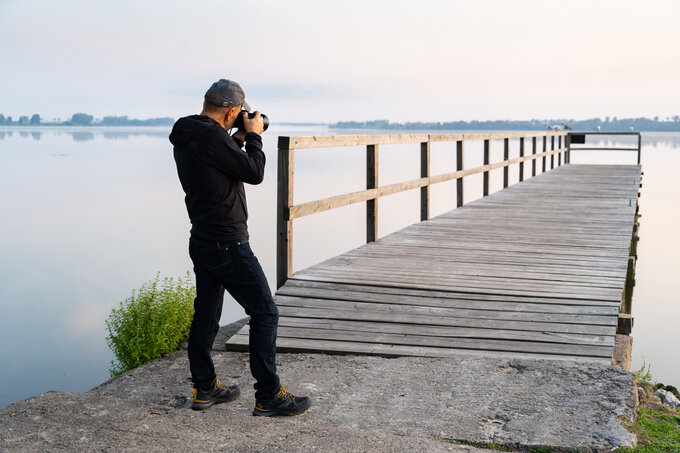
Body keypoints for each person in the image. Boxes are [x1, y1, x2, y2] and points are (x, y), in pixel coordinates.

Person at [170, 79, 311, 416]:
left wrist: (239, 139)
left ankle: (205, 387)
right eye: (239, 115)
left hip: (202, 238)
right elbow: (255, 172)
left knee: (206, 313)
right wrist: (257, 137)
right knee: (265, 312)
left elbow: (219, 163)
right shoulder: (212, 137)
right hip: (228, 242)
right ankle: (268, 396)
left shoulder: (189, 132)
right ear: (233, 110)